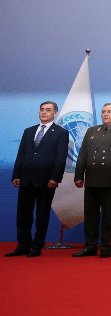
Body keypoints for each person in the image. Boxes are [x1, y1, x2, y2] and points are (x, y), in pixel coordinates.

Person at [73, 103, 111, 258]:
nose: (105, 114)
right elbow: (83, 155)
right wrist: (79, 175)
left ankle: (106, 248)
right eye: (103, 112)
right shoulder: (92, 131)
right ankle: (90, 247)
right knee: (90, 215)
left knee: (108, 216)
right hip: (92, 178)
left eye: (109, 112)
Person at [7, 101, 69, 258]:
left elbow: (61, 159)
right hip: (26, 179)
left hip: (46, 180)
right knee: (23, 215)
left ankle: (37, 246)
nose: (44, 112)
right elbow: (21, 154)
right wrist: (16, 174)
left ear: (55, 113)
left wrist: (55, 177)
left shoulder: (61, 133)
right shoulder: (29, 131)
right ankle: (22, 245)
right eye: (42, 109)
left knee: (42, 215)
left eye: (48, 110)